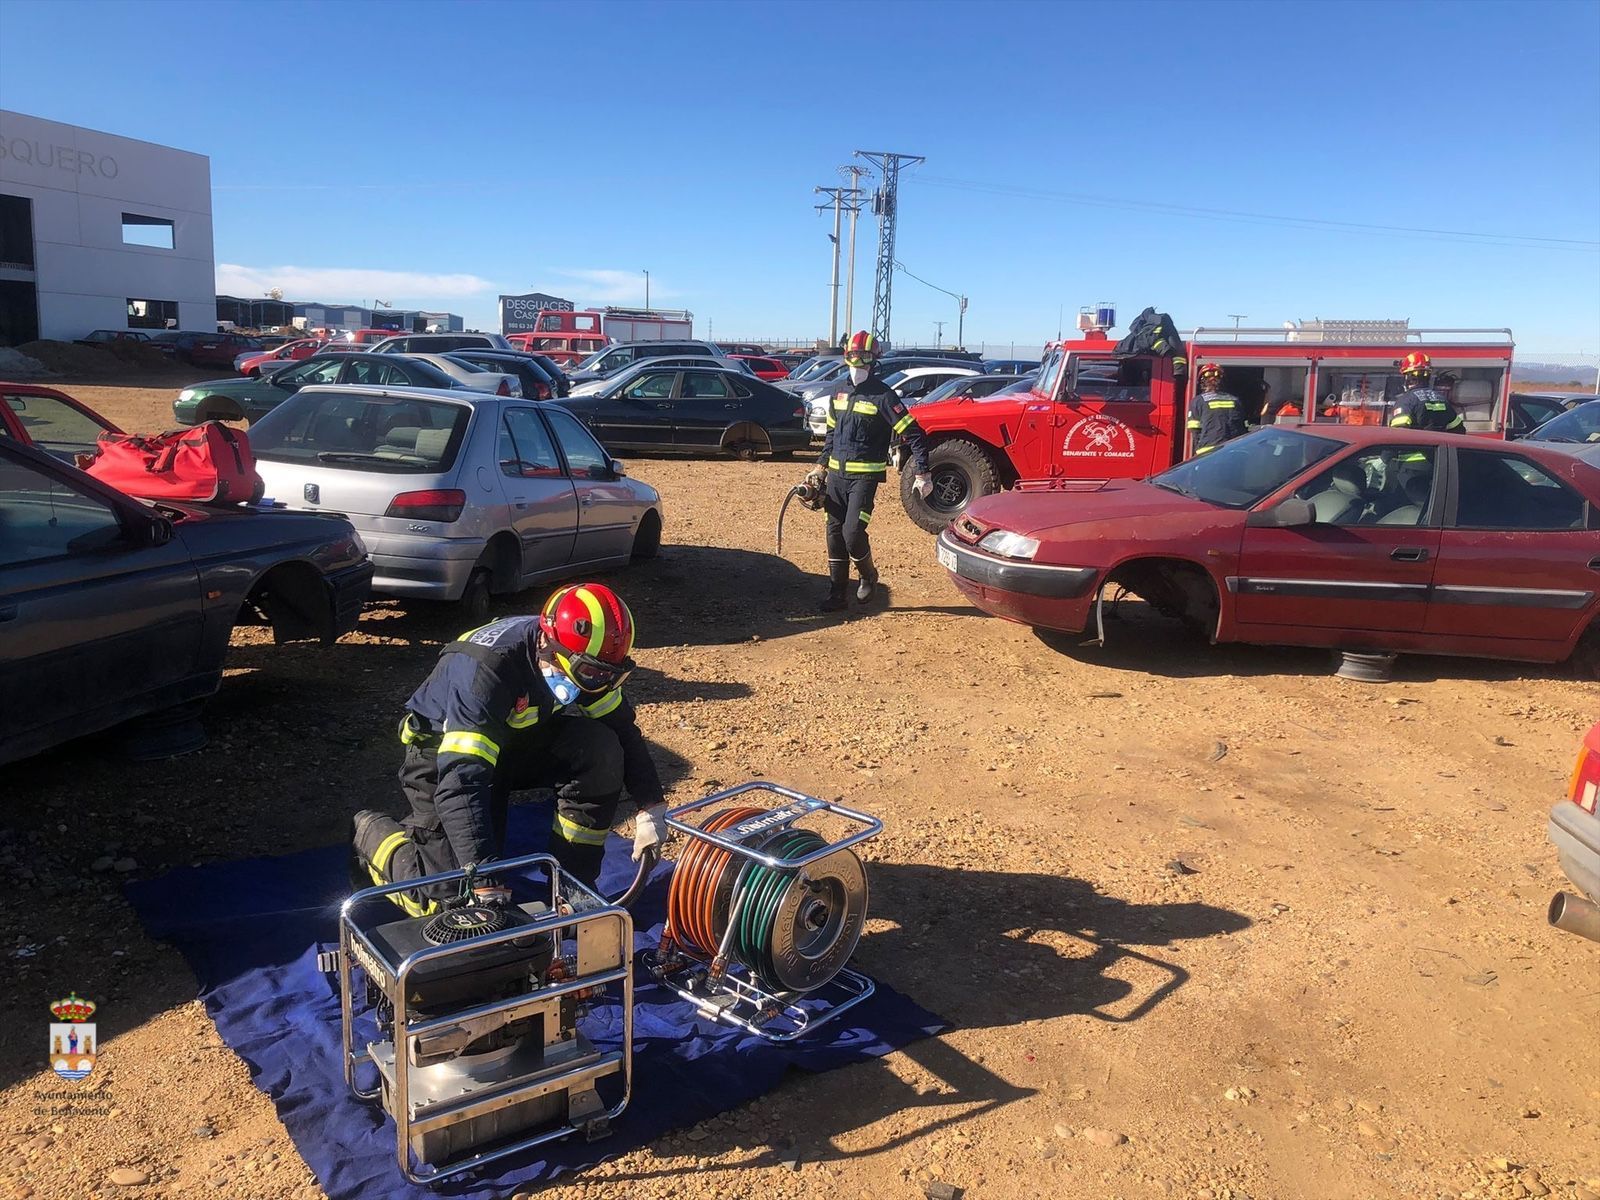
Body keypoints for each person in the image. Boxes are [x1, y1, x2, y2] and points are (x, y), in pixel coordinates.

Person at [351, 583, 666, 915]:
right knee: (446, 901)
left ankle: (572, 887)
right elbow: (461, 782)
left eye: (606, 675)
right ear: (546, 643)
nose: (593, 684)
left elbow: (623, 731)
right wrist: (483, 876)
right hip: (442, 760)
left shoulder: (584, 660)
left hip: (509, 743)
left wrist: (651, 806)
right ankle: (369, 833)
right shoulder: (487, 672)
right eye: (589, 673)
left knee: (599, 747)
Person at [805, 330, 931, 612]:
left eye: (864, 358)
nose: (857, 363)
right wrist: (819, 468)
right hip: (836, 477)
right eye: (852, 357)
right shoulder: (836, 392)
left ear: (874, 361)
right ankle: (837, 594)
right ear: (846, 357)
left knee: (852, 532)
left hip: (864, 478)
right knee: (834, 534)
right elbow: (831, 435)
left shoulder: (884, 396)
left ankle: (868, 575)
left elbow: (915, 434)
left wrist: (923, 471)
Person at [1388, 351, 1465, 432]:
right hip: (1439, 444)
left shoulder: (1406, 401)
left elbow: (1399, 433)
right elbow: (1458, 429)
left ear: (1410, 378)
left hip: (1417, 444)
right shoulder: (1441, 399)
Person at [1185, 363, 1246, 457]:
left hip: (1208, 453)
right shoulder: (1235, 400)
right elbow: (1242, 427)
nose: (1212, 378)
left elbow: (1194, 430)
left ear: (1202, 381)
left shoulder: (1198, 401)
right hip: (1233, 451)